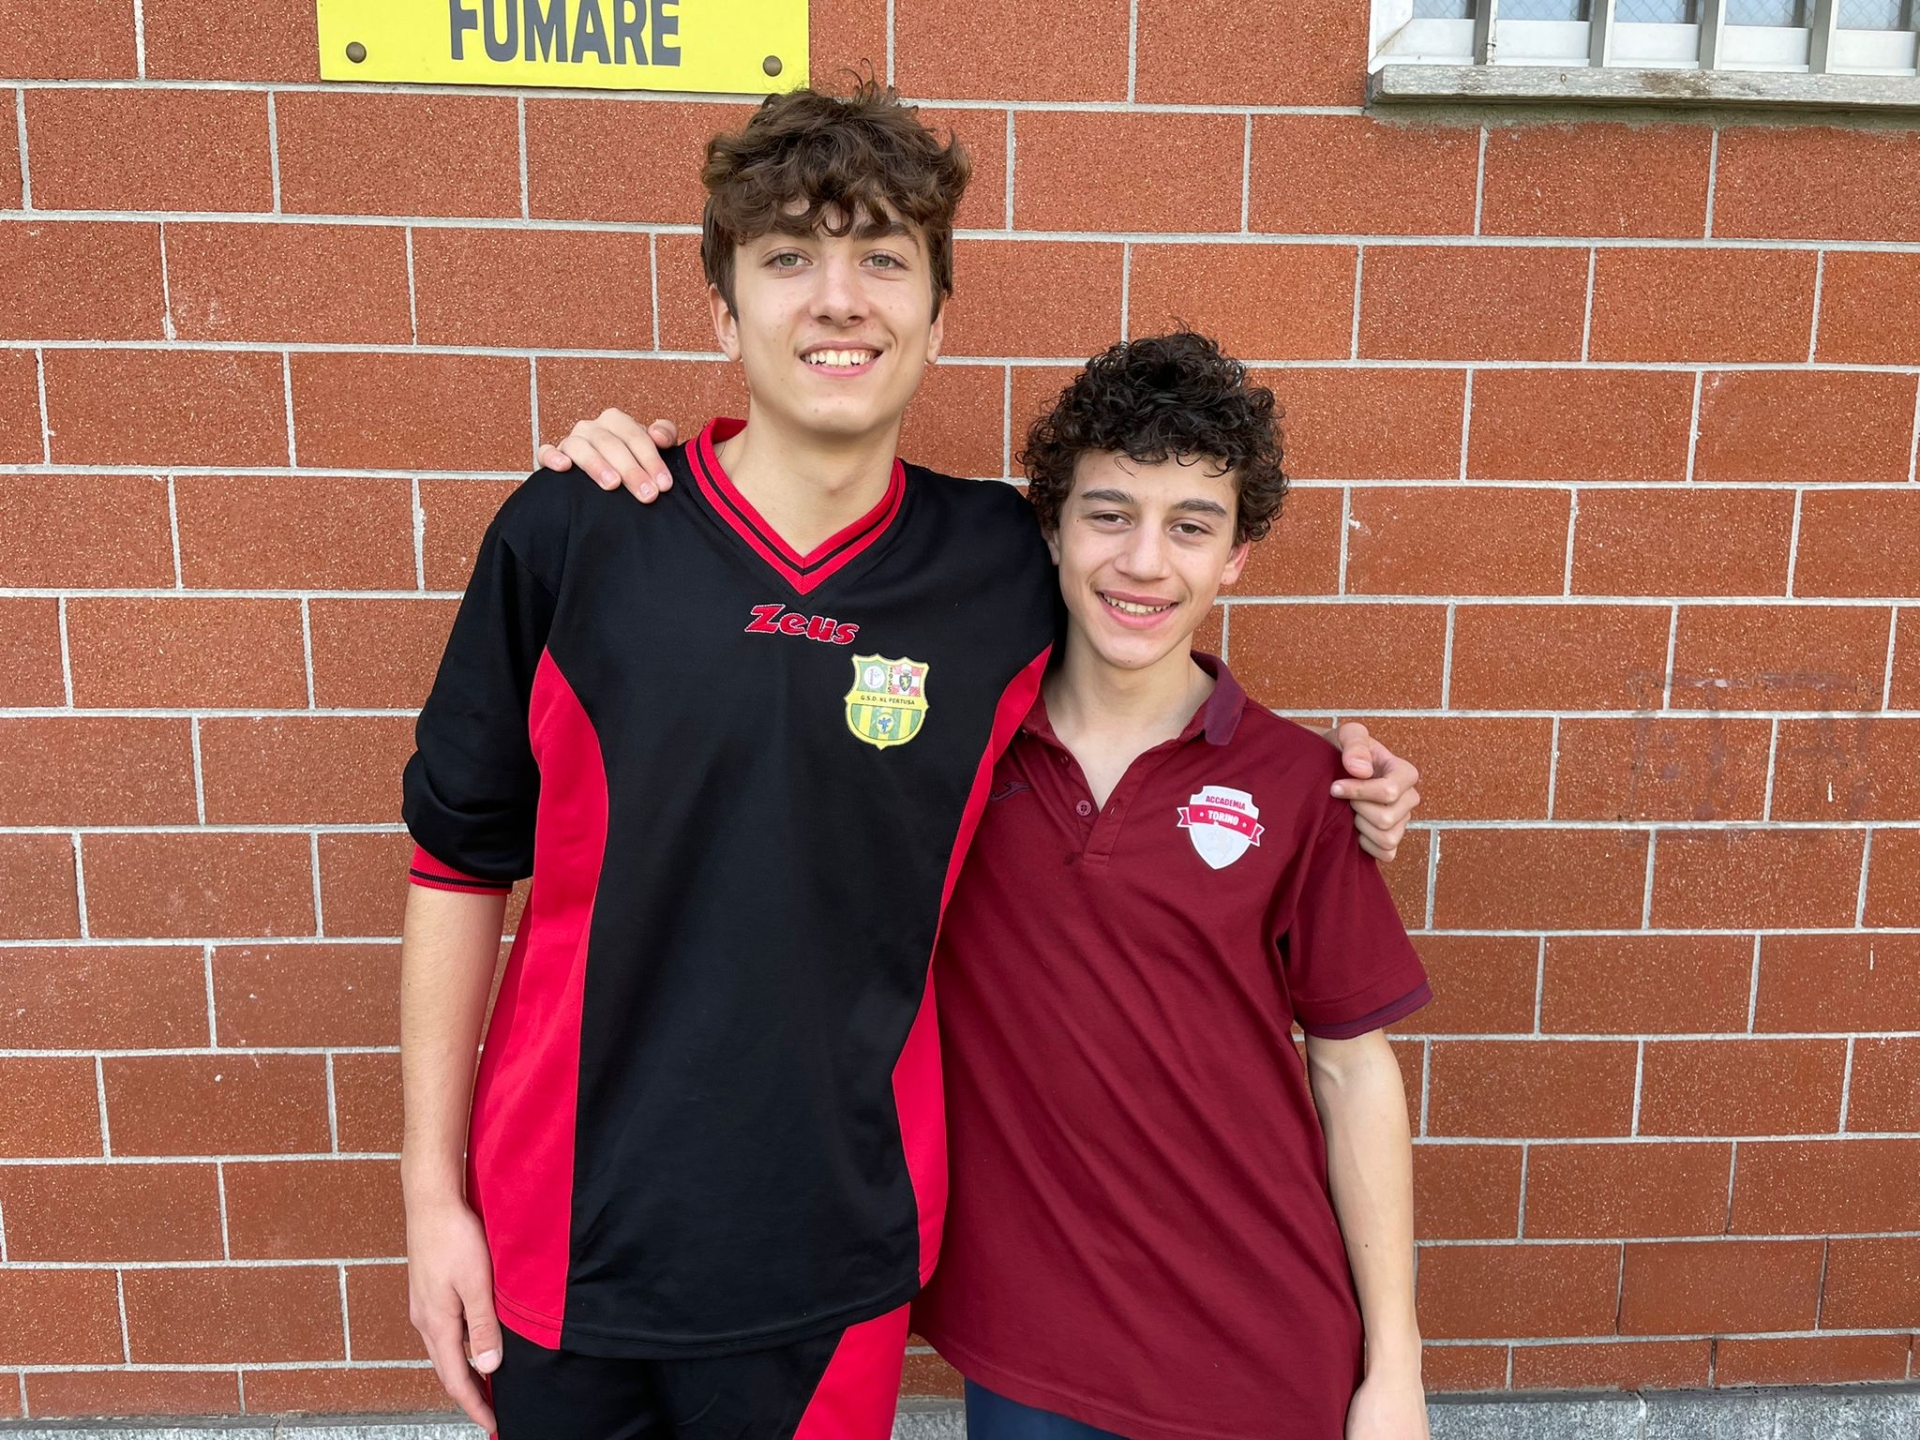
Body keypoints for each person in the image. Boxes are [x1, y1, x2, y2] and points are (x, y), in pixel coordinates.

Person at [404, 81, 1419, 1440]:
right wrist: (432, 1199)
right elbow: (457, 864)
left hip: (831, 1256)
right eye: (788, 258)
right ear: (722, 312)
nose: (840, 299)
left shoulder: (996, 566)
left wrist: (1335, 778)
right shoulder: (576, 531)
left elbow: (1145, 628)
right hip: (560, 1232)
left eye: (883, 259)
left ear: (938, 317)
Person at [552, 334, 1431, 1440]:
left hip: (1259, 1344)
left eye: (1191, 525)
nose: (1145, 562)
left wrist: (1396, 1365)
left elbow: (1353, 1072)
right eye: (1109, 514)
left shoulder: (1304, 785)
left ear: (1237, 556)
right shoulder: (945, 750)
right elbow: (760, 696)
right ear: (1049, 527)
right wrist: (636, 471)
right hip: (1030, 1355)